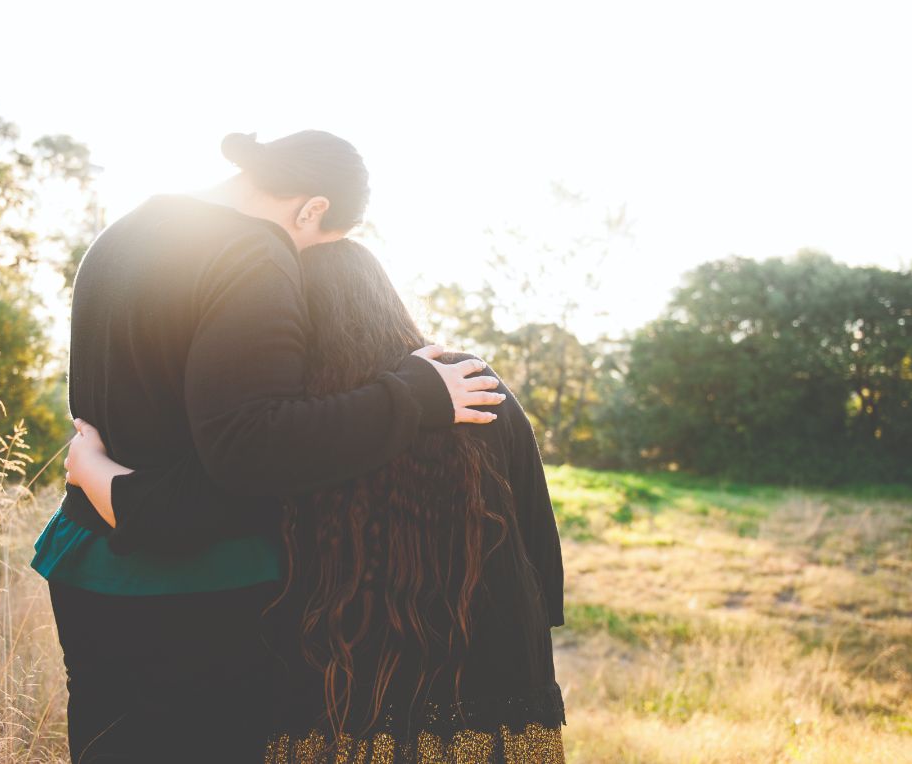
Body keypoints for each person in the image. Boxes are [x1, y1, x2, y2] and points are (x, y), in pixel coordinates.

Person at [31, 131, 506, 763]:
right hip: (197, 582)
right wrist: (414, 396)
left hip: (88, 563)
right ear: (310, 209)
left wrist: (100, 478)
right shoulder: (252, 248)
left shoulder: (126, 232)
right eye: (317, 243)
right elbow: (253, 443)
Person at [68, 240, 566, 763]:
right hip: (496, 686)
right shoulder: (470, 381)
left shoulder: (294, 426)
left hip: (338, 695)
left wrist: (90, 465)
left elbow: (173, 515)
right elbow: (540, 553)